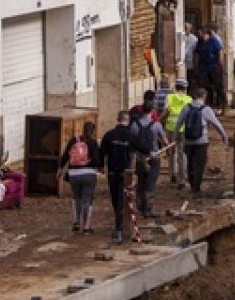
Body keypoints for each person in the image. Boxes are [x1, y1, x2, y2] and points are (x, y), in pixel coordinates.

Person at [174, 92, 230, 201]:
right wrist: (224, 136)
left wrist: (175, 137)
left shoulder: (186, 108)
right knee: (199, 164)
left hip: (188, 141)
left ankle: (192, 186)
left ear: (194, 96)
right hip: (201, 141)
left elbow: (179, 123)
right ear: (204, 96)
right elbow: (216, 124)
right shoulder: (206, 109)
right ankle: (197, 188)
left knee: (190, 162)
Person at [98, 110, 139, 243]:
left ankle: (119, 223)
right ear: (128, 121)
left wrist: (100, 166)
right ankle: (120, 227)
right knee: (123, 199)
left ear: (117, 119)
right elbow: (143, 147)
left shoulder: (109, 135)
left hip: (112, 173)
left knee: (116, 199)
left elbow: (101, 152)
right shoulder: (130, 135)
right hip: (125, 174)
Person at [59, 120, 100, 234]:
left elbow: (65, 156)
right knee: (88, 200)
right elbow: (97, 160)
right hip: (89, 174)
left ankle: (76, 222)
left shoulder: (74, 140)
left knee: (77, 198)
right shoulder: (93, 143)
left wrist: (60, 169)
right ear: (93, 131)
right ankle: (86, 227)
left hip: (74, 174)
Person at [133, 92, 166, 221]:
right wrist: (166, 148)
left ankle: (140, 205)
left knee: (141, 181)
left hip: (140, 157)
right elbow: (164, 141)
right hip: (154, 157)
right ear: (152, 111)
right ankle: (149, 209)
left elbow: (133, 141)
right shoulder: (156, 125)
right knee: (151, 184)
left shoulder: (135, 125)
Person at [197, 27, 226, 109]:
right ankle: (210, 105)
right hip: (204, 67)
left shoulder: (214, 40)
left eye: (203, 34)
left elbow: (220, 51)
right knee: (206, 87)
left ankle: (222, 105)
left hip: (214, 66)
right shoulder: (200, 42)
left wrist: (219, 63)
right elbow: (197, 54)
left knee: (218, 86)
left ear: (207, 34)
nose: (201, 36)